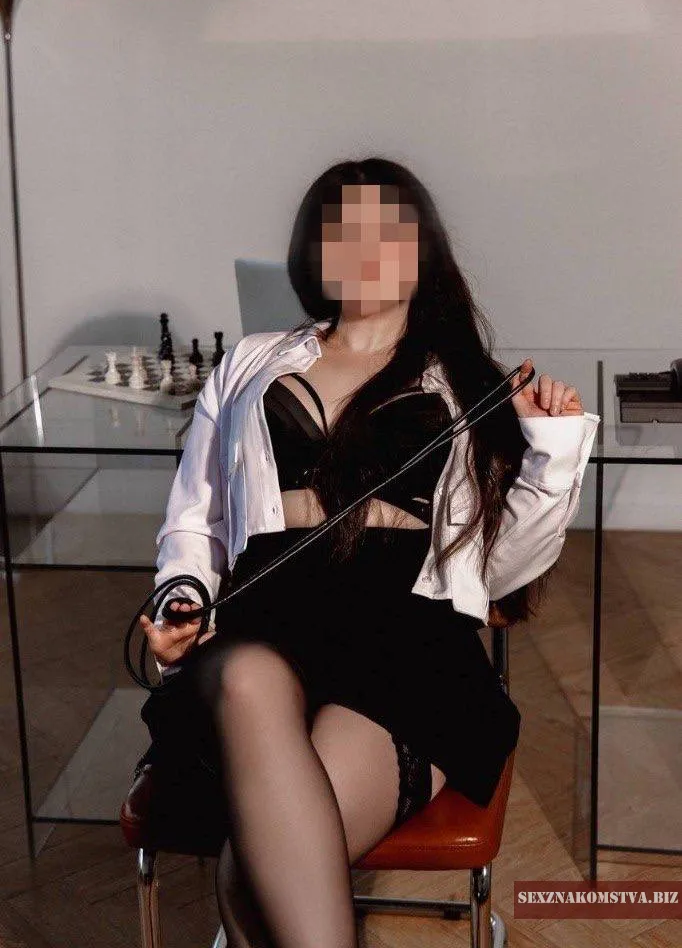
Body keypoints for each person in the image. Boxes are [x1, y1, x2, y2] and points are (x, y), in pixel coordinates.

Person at [138, 158, 599, 948]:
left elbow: (501, 570)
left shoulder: (468, 383)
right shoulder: (250, 364)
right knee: (246, 678)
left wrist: (551, 454)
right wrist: (181, 592)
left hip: (404, 644)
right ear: (312, 252)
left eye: (388, 229)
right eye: (341, 231)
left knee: (257, 876)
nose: (365, 248)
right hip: (263, 625)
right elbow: (195, 518)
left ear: (424, 250)